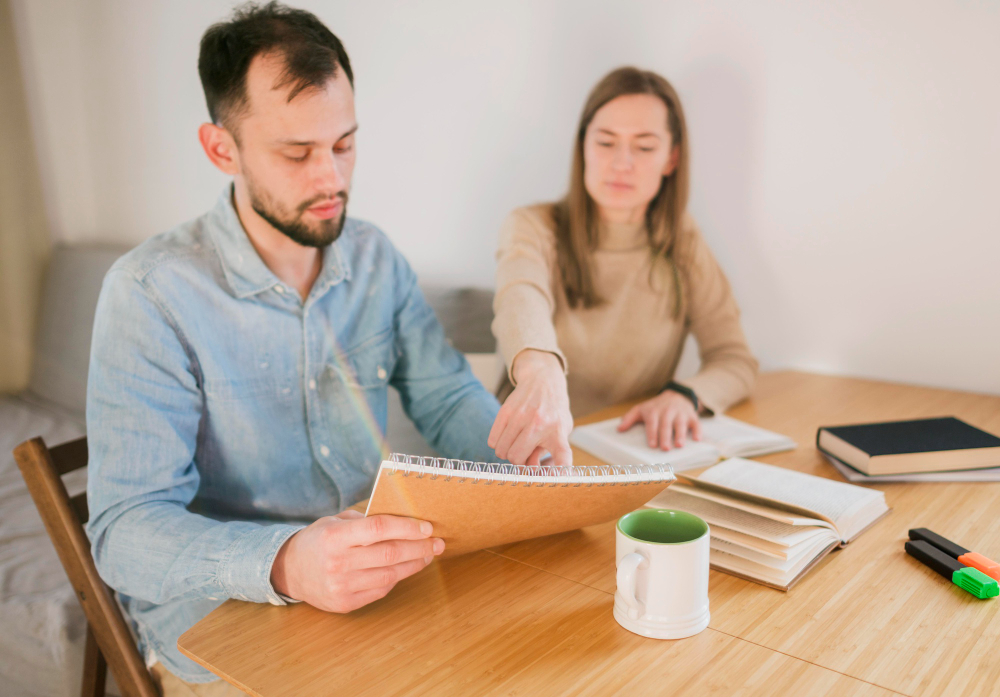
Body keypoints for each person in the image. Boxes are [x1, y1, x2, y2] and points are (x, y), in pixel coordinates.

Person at [85, 3, 500, 692]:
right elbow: (124, 531)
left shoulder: (374, 258)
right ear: (222, 148)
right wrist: (284, 562)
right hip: (223, 621)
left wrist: (527, 468)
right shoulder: (149, 294)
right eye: (297, 153)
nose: (332, 178)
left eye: (344, 143)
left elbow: (447, 392)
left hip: (373, 591)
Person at [488, 67, 758, 470]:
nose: (621, 163)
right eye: (606, 142)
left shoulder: (681, 239)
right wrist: (540, 371)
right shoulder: (533, 226)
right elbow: (520, 298)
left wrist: (685, 394)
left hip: (630, 461)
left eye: (645, 147)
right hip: (531, 459)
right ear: (583, 147)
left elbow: (735, 360)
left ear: (672, 158)